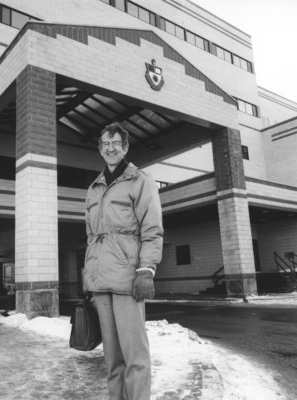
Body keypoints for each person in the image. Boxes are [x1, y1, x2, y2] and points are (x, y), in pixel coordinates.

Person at [83, 121, 163, 400]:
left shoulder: (140, 181)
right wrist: (89, 277)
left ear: (125, 147)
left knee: (135, 356)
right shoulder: (94, 188)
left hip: (129, 280)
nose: (110, 148)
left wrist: (146, 271)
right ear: (100, 149)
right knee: (112, 359)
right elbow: (91, 236)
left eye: (116, 143)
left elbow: (152, 230)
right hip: (100, 283)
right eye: (105, 144)